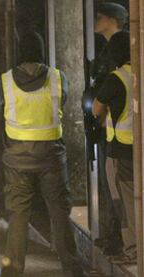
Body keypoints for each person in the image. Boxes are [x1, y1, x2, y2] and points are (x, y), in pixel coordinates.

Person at [0, 32, 84, 276]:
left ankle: (13, 270)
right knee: (59, 212)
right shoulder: (57, 78)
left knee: (18, 215)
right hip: (51, 156)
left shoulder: (4, 81)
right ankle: (72, 269)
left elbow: (0, 109)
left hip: (16, 157)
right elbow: (63, 102)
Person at [93, 31, 136, 264]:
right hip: (137, 148)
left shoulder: (117, 78)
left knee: (125, 201)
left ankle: (133, 250)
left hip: (121, 150)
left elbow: (96, 108)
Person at [89, 2, 128, 255]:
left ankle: (121, 240)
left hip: (118, 130)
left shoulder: (120, 50)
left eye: (99, 16)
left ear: (113, 19)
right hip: (110, 129)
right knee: (112, 186)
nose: (95, 19)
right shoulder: (106, 50)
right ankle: (114, 236)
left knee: (119, 189)